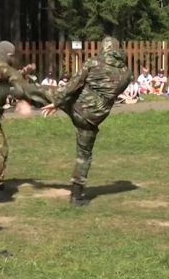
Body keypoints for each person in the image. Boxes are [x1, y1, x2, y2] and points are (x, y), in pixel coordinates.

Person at [41, 36, 132, 207]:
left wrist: (57, 102)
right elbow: (114, 93)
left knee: (43, 92)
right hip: (93, 118)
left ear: (103, 48)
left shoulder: (93, 63)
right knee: (84, 155)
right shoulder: (127, 73)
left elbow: (74, 84)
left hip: (77, 106)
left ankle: (15, 89)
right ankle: (76, 196)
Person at [0, 41, 53, 202]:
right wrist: (48, 97)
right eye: (12, 56)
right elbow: (15, 80)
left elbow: (7, 76)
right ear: (7, 55)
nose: (14, 59)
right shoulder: (0, 66)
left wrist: (23, 72)